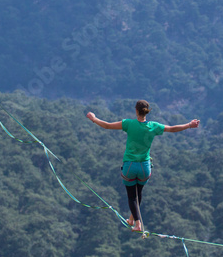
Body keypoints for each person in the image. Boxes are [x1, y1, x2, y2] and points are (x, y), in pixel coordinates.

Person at [86, 100, 200, 234]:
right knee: (138, 193)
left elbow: (106, 126)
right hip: (145, 168)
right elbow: (172, 128)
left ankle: (138, 223)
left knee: (131, 196)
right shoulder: (153, 126)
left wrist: (93, 118)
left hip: (130, 166)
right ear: (147, 111)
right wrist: (189, 125)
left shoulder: (129, 124)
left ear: (136, 111)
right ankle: (131, 219)